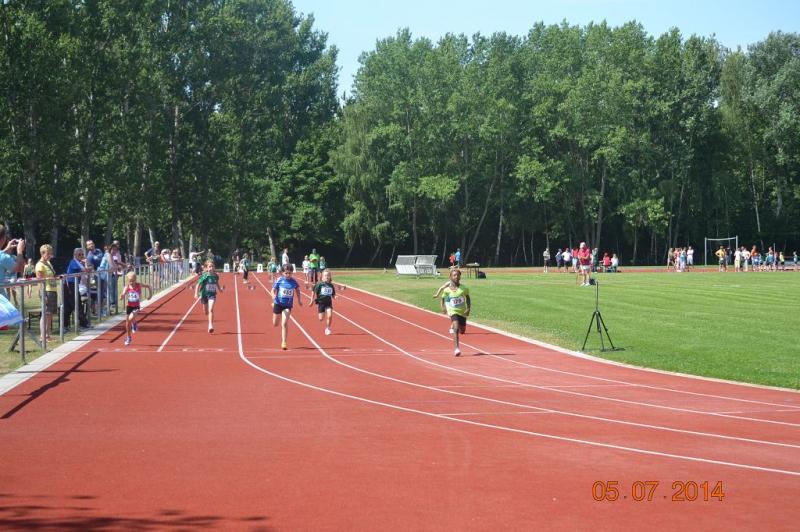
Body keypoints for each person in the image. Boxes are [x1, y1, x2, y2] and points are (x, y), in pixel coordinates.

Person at [440, 269, 471, 357]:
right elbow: (442, 298)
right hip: (453, 311)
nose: (456, 277)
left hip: (462, 312)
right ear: (450, 277)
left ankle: (460, 327)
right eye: (454, 275)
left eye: (458, 275)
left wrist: (468, 308)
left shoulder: (464, 288)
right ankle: (456, 348)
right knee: (456, 328)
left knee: (462, 331)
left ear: (460, 277)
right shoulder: (447, 290)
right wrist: (443, 307)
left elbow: (468, 298)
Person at [272, 263, 302, 350]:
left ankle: (284, 342)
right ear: (282, 273)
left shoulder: (294, 281)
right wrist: (273, 296)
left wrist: (299, 300)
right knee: (275, 324)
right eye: (286, 273)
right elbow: (272, 290)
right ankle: (273, 307)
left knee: (284, 323)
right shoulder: (279, 280)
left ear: (292, 273)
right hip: (278, 303)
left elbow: (297, 290)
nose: (288, 275)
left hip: (287, 306)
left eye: (290, 273)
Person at [119, 271, 151, 346]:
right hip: (129, 306)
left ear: (135, 280)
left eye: (133, 281)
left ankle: (134, 323)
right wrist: (121, 296)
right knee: (127, 322)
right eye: (130, 281)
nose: (131, 282)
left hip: (136, 306)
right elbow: (122, 295)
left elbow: (148, 286)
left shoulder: (139, 285)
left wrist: (150, 295)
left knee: (130, 318)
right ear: (128, 280)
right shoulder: (127, 287)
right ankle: (129, 337)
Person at [35, 245, 58, 343]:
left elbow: (52, 275)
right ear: (42, 253)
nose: (50, 255)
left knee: (50, 314)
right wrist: (43, 294)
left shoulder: (48, 263)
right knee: (45, 313)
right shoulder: (39, 265)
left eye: (50, 253)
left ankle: (47, 335)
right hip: (46, 290)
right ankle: (42, 336)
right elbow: (40, 281)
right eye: (48, 254)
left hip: (52, 290)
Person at [0, 224, 26, 298]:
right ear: (3, 239)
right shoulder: (2, 256)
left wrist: (6, 249)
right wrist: (19, 251)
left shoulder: (2, 255)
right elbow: (19, 268)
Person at [195, 259, 220, 333]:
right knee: (206, 311)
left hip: (212, 294)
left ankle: (210, 325)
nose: (211, 268)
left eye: (212, 266)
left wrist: (219, 289)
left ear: (214, 267)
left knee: (211, 309)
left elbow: (216, 283)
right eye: (209, 266)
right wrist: (196, 293)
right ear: (206, 268)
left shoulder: (216, 276)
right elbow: (198, 284)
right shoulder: (204, 276)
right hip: (204, 295)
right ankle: (207, 313)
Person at [312, 269, 339, 335]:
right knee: (321, 319)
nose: (327, 277)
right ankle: (321, 312)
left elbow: (333, 294)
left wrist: (335, 297)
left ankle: (328, 328)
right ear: (322, 276)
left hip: (328, 303)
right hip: (321, 303)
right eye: (325, 275)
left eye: (328, 275)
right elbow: (313, 291)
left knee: (329, 316)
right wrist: (311, 300)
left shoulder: (331, 285)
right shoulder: (319, 284)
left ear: (330, 277)